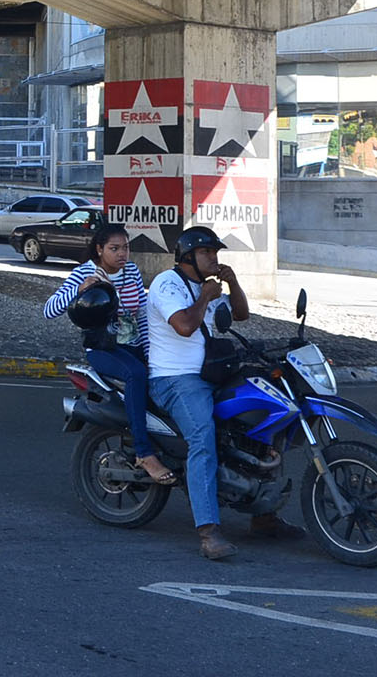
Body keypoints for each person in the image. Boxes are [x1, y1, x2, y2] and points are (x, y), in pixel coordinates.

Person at [146, 226, 301, 560]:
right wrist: (205, 295)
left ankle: (264, 516)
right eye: (207, 253)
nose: (214, 259)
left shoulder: (211, 288)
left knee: (264, 421)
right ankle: (208, 532)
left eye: (216, 253)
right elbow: (185, 327)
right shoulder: (167, 284)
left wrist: (233, 283)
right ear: (188, 257)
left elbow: (241, 314)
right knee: (202, 437)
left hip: (216, 372)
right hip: (176, 379)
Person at [43, 222, 176, 487]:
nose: (122, 254)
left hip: (133, 345)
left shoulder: (132, 273)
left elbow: (141, 314)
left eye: (125, 248)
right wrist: (80, 290)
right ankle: (143, 453)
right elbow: (49, 310)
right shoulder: (84, 273)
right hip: (103, 348)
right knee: (136, 375)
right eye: (114, 249)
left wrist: (150, 353)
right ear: (100, 249)